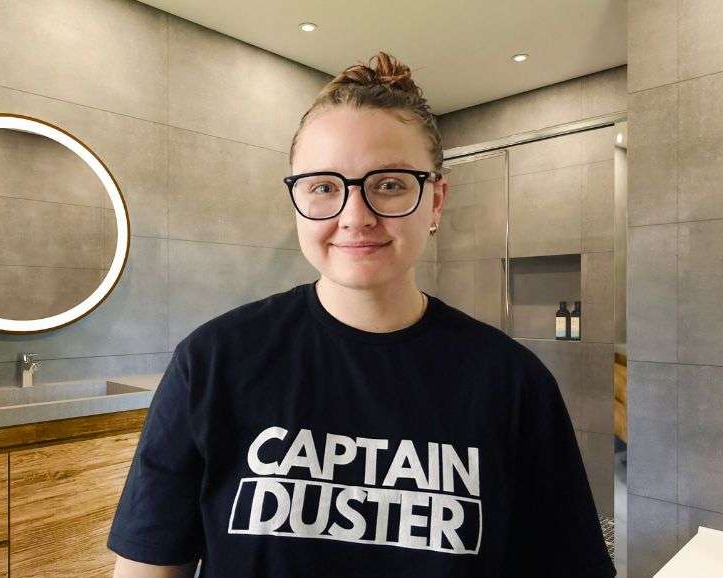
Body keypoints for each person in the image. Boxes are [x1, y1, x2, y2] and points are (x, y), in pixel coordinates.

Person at [107, 51, 615, 578]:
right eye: (324, 186)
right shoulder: (213, 361)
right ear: (296, 199)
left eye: (390, 184)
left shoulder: (513, 383)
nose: (355, 216)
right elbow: (150, 567)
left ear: (436, 201)